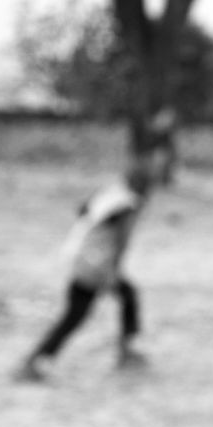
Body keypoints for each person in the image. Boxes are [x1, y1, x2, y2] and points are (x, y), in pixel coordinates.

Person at [15, 163, 152, 382]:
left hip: (79, 257)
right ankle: (34, 361)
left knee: (120, 298)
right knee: (77, 315)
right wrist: (112, 272)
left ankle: (37, 360)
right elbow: (120, 243)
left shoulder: (110, 195)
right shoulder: (128, 205)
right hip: (96, 265)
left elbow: (82, 211)